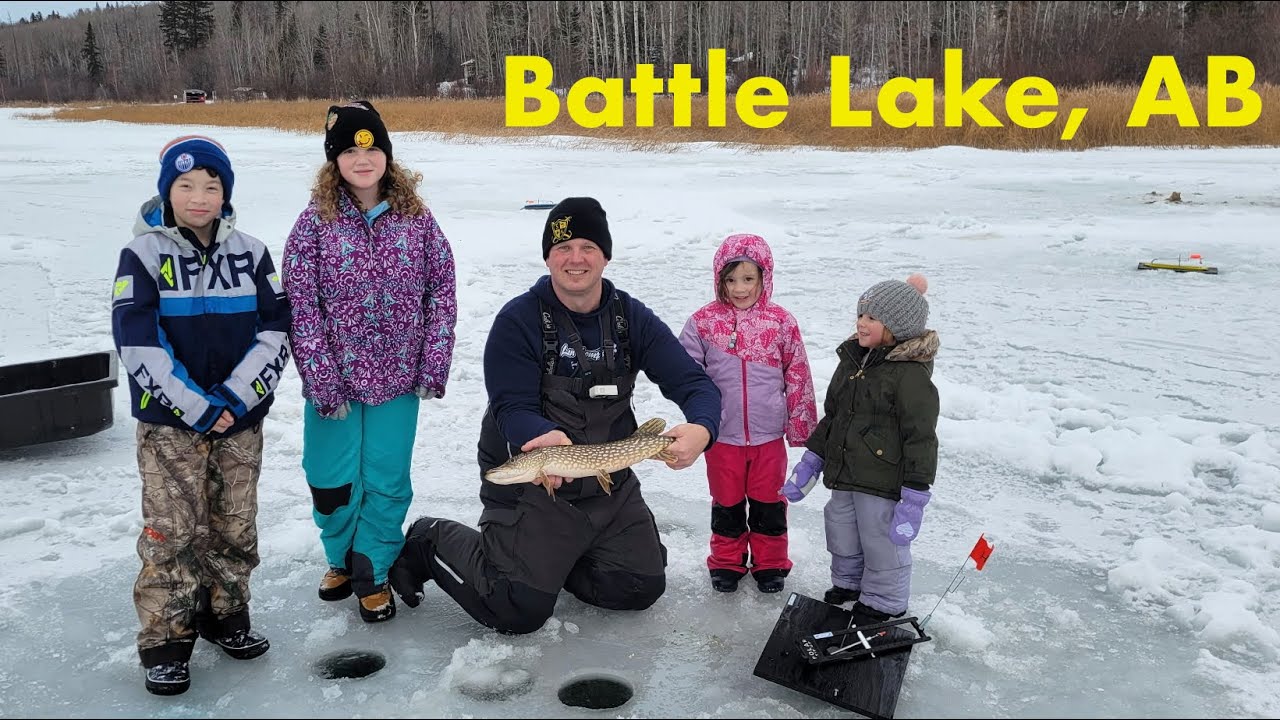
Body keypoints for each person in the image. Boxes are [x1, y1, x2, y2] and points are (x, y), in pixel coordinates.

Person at [388, 196, 722, 634]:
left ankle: (557, 560)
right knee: (515, 609)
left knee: (637, 587)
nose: (575, 258)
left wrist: (702, 429)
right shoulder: (518, 321)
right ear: (548, 256)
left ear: (605, 255)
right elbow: (511, 406)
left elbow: (694, 384)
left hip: (607, 483)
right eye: (563, 247)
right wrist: (541, 436)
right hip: (536, 485)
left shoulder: (630, 319)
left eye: (588, 247)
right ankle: (429, 540)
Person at [111, 135, 293, 695]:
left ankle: (226, 614)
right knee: (173, 531)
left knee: (234, 524)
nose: (199, 197)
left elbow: (276, 329)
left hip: (239, 421)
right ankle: (166, 639)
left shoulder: (253, 253)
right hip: (171, 426)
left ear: (225, 192)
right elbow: (138, 342)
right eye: (185, 185)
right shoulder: (142, 256)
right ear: (167, 191)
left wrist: (235, 398)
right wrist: (196, 406)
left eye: (211, 186)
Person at [282, 100, 458, 624]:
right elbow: (300, 306)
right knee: (330, 479)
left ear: (387, 155)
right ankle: (341, 557)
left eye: (373, 148)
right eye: (350, 151)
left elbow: (442, 292)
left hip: (398, 378)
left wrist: (433, 363)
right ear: (334, 160)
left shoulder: (418, 220)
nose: (363, 159)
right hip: (334, 381)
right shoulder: (313, 224)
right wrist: (321, 378)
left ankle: (373, 567)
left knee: (386, 478)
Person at [780, 274, 939, 626]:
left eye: (872, 317)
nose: (861, 323)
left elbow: (922, 437)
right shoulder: (852, 361)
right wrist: (812, 461)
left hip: (883, 480)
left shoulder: (910, 376)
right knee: (841, 530)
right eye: (860, 315)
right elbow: (834, 416)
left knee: (880, 539)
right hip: (844, 472)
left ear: (896, 327)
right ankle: (848, 584)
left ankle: (884, 601)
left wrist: (915, 496)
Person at [677, 233, 817, 595]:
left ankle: (771, 563)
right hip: (722, 436)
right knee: (727, 503)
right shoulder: (703, 323)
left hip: (768, 436)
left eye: (748, 279)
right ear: (719, 280)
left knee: (770, 503)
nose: (739, 288)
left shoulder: (780, 322)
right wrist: (699, 422)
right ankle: (726, 561)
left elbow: (798, 374)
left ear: (764, 277)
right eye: (731, 279)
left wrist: (801, 427)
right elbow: (686, 375)